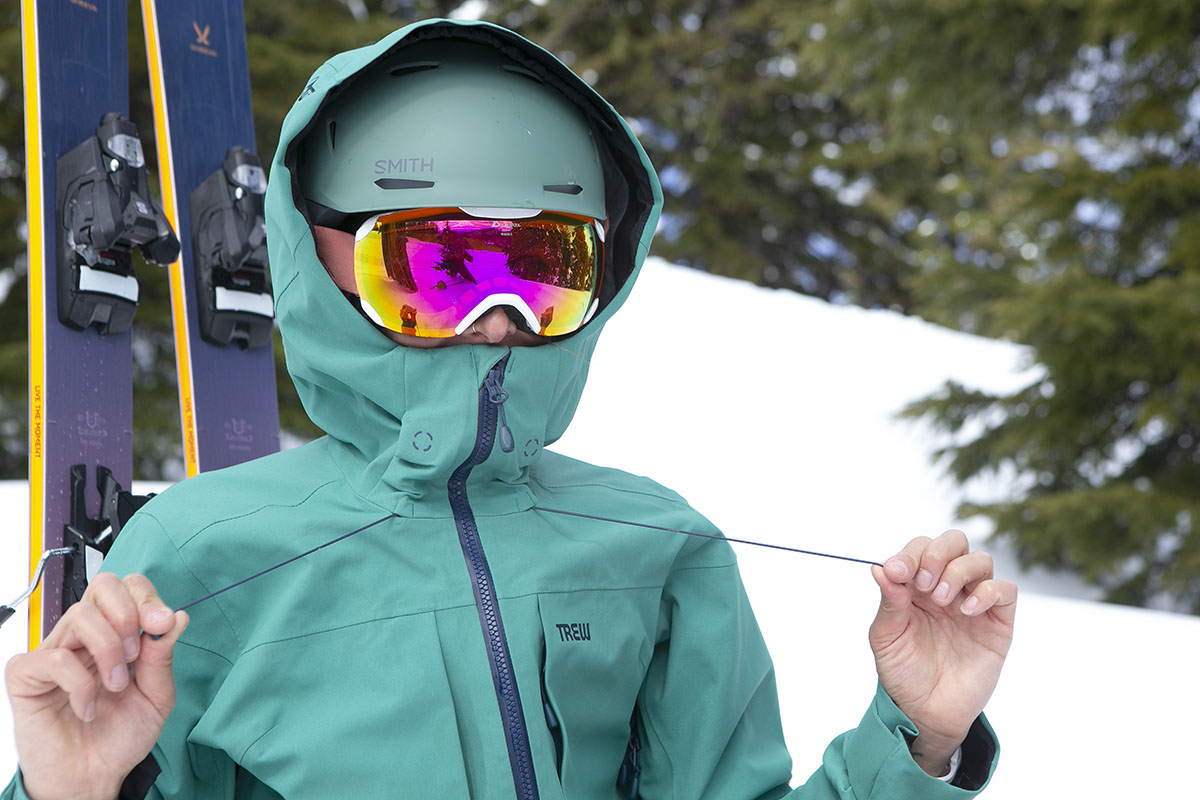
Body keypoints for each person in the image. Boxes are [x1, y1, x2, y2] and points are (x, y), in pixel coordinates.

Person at [4, 19, 1016, 800]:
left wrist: (916, 735)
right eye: (437, 265)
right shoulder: (201, 555)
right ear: (321, 255)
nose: (498, 319)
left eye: (544, 269)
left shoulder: (660, 547)